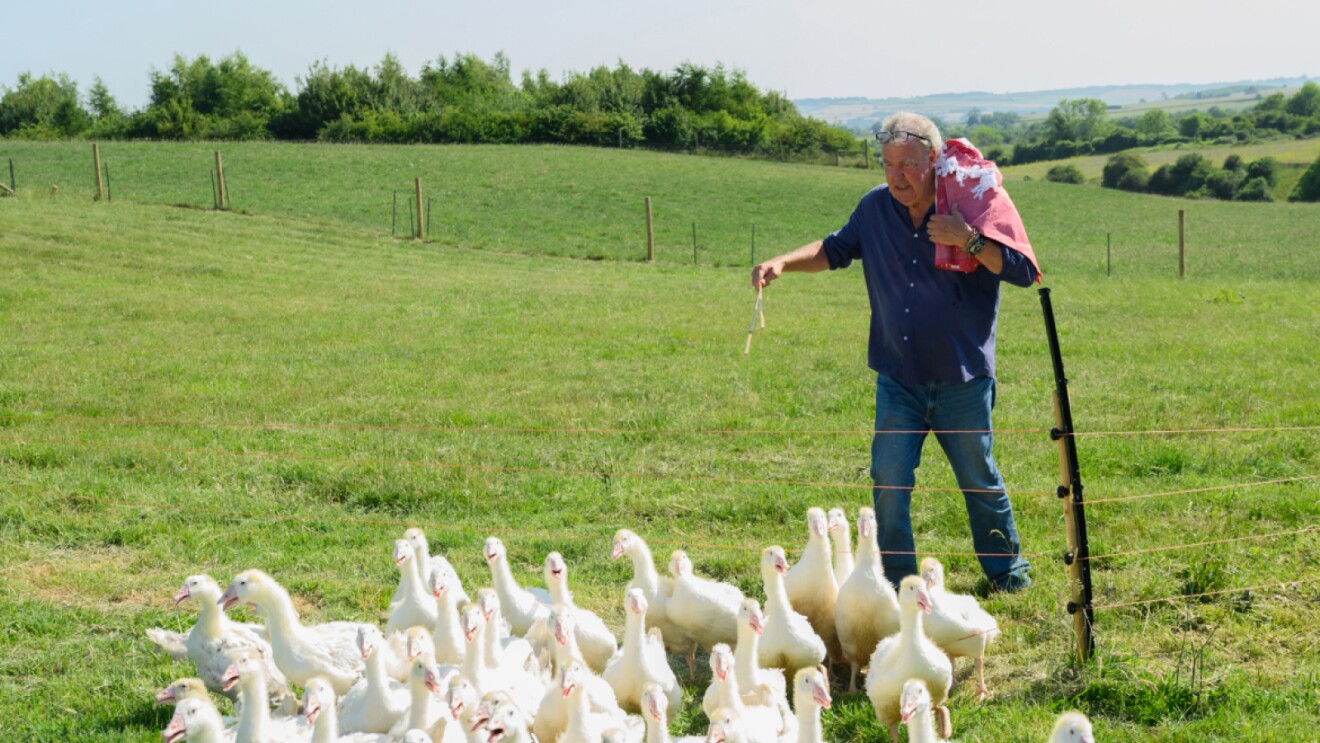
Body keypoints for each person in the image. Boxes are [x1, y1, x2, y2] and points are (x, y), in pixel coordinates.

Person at [751, 112, 1037, 592]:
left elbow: (1021, 270)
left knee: (979, 480)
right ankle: (898, 582)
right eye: (887, 164)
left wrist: (966, 239)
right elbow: (836, 248)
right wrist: (784, 262)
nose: (897, 176)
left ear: (933, 159)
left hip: (961, 377)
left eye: (907, 164)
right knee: (888, 481)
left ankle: (1009, 575)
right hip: (898, 377)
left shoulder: (969, 202)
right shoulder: (875, 209)